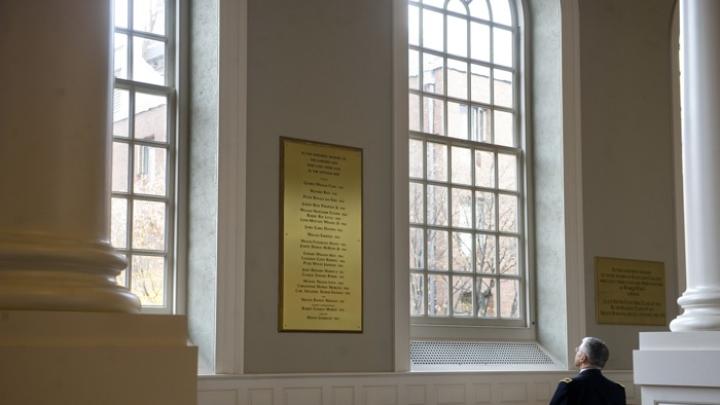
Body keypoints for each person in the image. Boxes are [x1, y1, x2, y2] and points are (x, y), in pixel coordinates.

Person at [549, 337, 626, 405]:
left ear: (582, 357)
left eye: (578, 350)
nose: (575, 351)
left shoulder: (569, 386)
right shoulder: (617, 389)